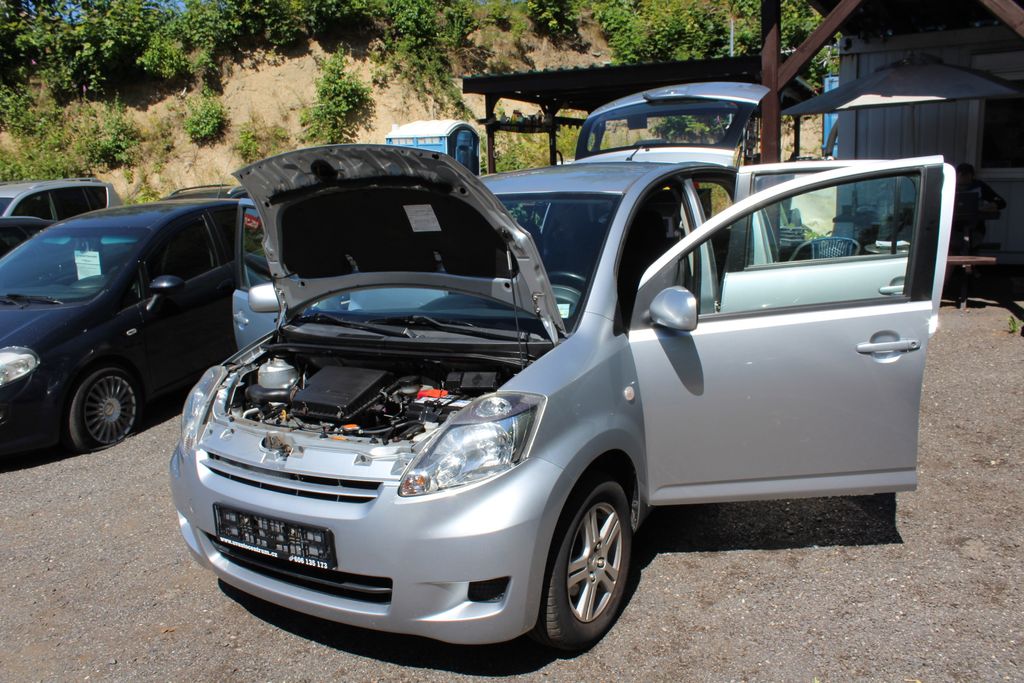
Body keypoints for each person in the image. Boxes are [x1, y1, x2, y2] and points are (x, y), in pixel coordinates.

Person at [953, 163, 1006, 254]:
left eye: (967, 176)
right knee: (953, 248)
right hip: (952, 229)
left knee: (970, 247)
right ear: (957, 175)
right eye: (962, 176)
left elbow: (1001, 203)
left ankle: (969, 265)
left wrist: (991, 205)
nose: (964, 179)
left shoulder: (979, 186)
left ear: (972, 176)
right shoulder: (948, 185)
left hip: (975, 229)